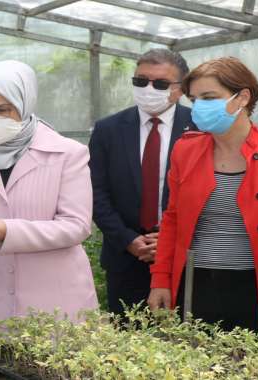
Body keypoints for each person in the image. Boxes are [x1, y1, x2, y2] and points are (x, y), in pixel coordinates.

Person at [147, 57, 258, 356]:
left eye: (209, 98)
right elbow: (172, 220)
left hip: (257, 287)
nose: (199, 106)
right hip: (195, 284)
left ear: (243, 97)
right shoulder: (186, 150)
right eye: (195, 99)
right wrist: (161, 279)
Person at [0, 60, 98, 327]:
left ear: (25, 104)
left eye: (2, 110)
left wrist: (8, 232)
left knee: (56, 365)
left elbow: (77, 226)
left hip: (54, 298)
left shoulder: (66, 153)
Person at [88, 49, 194, 316]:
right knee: (127, 343)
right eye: (140, 81)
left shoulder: (199, 128)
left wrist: (171, 240)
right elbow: (95, 193)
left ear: (180, 89)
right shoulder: (108, 130)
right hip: (125, 258)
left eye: (159, 84)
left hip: (184, 259)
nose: (148, 89)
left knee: (188, 343)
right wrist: (129, 240)